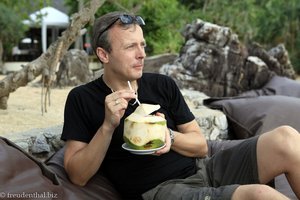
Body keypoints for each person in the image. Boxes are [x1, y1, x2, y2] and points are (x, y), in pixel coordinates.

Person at [61, 11, 300, 200]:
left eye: (142, 45)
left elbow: (201, 146)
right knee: (259, 195)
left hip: (204, 169)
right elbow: (78, 176)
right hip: (162, 190)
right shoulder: (82, 98)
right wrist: (108, 125)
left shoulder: (162, 85)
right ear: (104, 55)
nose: (142, 54)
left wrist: (170, 137)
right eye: (130, 47)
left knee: (286, 138)